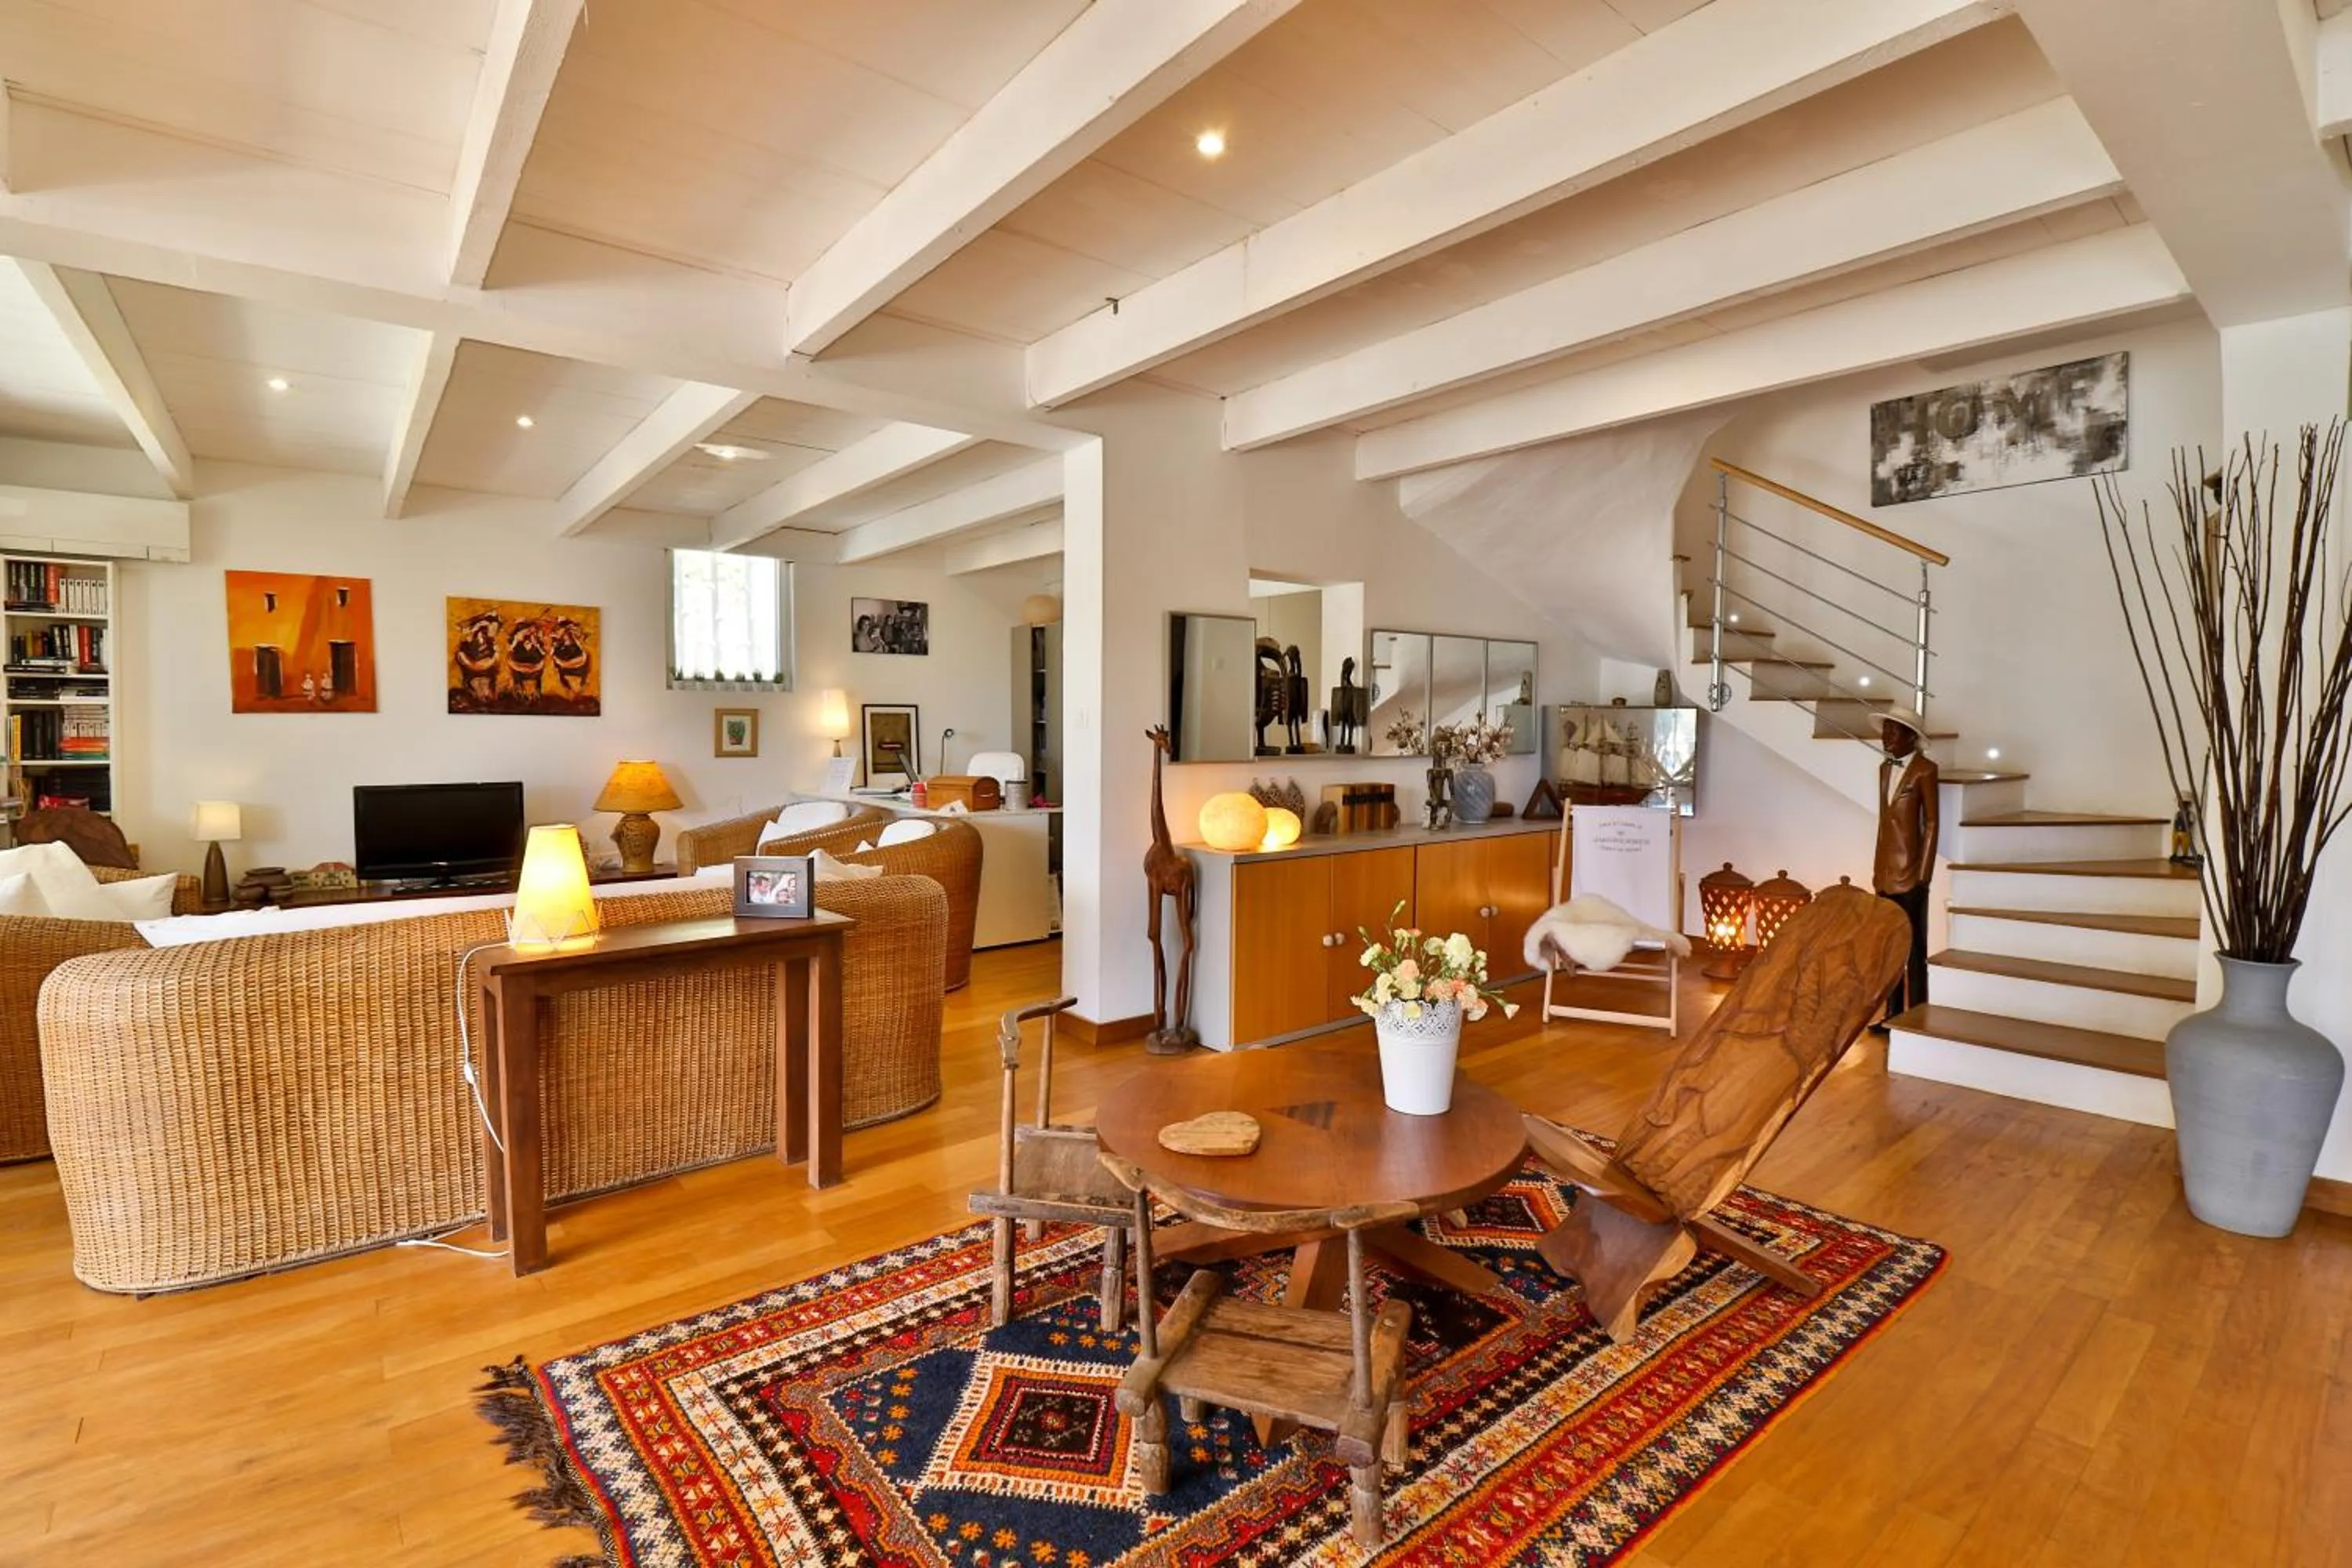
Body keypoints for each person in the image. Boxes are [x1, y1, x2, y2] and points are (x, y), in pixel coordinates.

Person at [1873, 707, 1939, 1021]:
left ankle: (1918, 1013)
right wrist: (1877, 870)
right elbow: (1884, 825)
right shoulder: (1885, 769)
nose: (1885, 737)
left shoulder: (1925, 770)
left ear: (1912, 737)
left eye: (1892, 732)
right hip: (1885, 875)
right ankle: (1891, 1013)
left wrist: (1923, 876)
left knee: (1915, 951)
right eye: (1885, 730)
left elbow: (1932, 824)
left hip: (1912, 876)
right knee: (1889, 949)